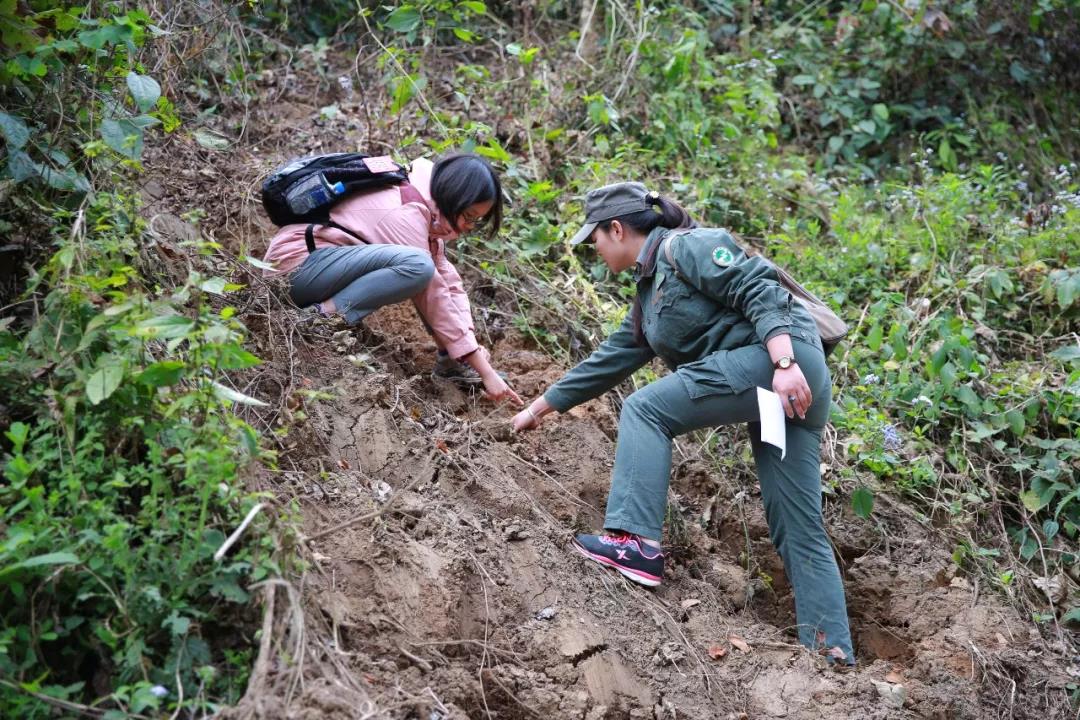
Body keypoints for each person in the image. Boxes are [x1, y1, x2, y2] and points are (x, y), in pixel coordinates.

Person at [511, 182, 854, 663]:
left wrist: (781, 364)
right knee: (795, 524)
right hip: (776, 385)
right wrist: (538, 408)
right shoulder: (649, 296)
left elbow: (757, 286)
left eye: (596, 239)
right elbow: (614, 357)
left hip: (783, 364)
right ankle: (830, 651)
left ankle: (634, 543)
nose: (594, 249)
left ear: (617, 228)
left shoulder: (684, 247)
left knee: (645, 409)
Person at [263, 152, 521, 406]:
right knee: (419, 268)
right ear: (453, 198)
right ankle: (319, 321)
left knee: (426, 268)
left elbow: (449, 283)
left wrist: (468, 350)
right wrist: (484, 369)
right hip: (296, 270)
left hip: (320, 267)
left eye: (476, 221)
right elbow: (433, 293)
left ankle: (451, 364)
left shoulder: (424, 209)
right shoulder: (405, 212)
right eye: (468, 216)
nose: (469, 227)